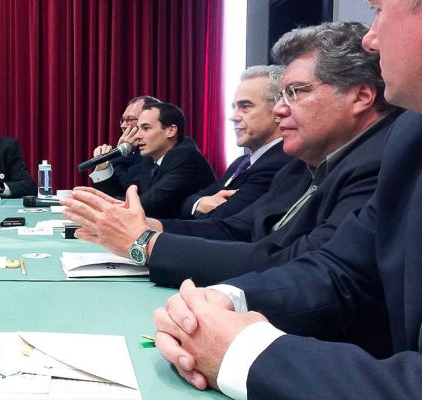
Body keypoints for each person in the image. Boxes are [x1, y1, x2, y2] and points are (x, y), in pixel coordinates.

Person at [153, 4, 422, 398]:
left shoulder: (382, 149)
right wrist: (227, 299)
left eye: (380, 10)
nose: (371, 38)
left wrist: (241, 352)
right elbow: (341, 270)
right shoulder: (410, 135)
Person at [61, 21, 400, 287]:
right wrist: (150, 226)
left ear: (361, 97)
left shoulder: (380, 164)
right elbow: (235, 229)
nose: (280, 109)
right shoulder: (301, 165)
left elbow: (299, 266)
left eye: (296, 92)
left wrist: (146, 244)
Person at [180, 65, 290, 220]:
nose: (233, 117)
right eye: (234, 107)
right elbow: (187, 203)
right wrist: (199, 203)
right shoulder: (241, 162)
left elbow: (220, 222)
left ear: (278, 110)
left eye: (245, 106)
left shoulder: (280, 162)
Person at [90, 102, 215, 219]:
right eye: (138, 128)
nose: (138, 135)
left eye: (146, 128)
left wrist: (96, 204)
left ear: (171, 131)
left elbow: (147, 206)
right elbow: (127, 194)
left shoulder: (186, 157)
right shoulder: (150, 159)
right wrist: (104, 169)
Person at [91, 96, 161, 188]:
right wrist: (103, 167)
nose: (123, 125)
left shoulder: (153, 152)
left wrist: (120, 154)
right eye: (123, 120)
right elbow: (107, 191)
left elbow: (126, 187)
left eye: (129, 120)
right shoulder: (132, 150)